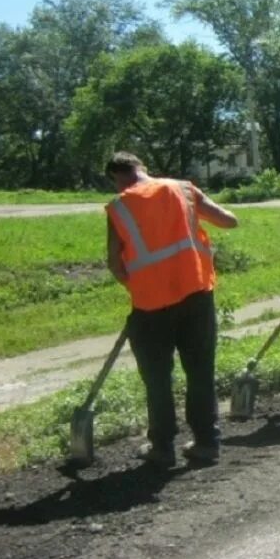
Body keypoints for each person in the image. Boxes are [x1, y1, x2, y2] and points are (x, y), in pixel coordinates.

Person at [104, 152, 238, 467]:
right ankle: (207, 443)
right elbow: (229, 220)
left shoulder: (119, 206)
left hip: (150, 307)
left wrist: (140, 287)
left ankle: (162, 448)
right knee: (200, 371)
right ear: (142, 168)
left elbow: (115, 263)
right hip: (196, 296)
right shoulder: (183, 189)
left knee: (157, 378)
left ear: (117, 178)